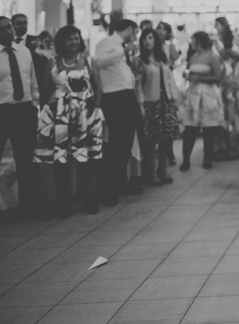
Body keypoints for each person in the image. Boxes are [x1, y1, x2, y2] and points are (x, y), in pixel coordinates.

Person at [34, 25, 104, 216]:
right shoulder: (53, 63)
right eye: (69, 39)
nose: (74, 42)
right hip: (59, 115)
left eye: (76, 38)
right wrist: (47, 112)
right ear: (61, 42)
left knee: (86, 158)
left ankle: (89, 197)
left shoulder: (89, 61)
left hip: (86, 113)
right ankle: (62, 201)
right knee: (60, 159)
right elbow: (44, 89)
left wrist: (95, 108)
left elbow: (98, 87)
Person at [94, 18, 144, 203]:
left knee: (127, 141)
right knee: (116, 142)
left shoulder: (121, 46)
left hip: (127, 94)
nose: (135, 36)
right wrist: (123, 51)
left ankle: (121, 181)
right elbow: (98, 62)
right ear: (130, 29)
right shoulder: (107, 43)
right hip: (113, 96)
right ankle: (110, 188)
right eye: (135, 32)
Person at [0, 16, 40, 214]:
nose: (9, 32)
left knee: (25, 159)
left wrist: (35, 104)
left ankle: (28, 204)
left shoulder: (24, 52)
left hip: (24, 109)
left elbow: (31, 80)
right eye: (3, 29)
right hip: (2, 110)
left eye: (9, 27)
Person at [135, 28, 180, 185]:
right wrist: (140, 103)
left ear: (155, 40)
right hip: (150, 102)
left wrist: (175, 98)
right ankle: (151, 172)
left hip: (165, 101)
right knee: (150, 138)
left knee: (166, 137)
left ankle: (163, 168)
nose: (147, 41)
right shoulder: (140, 60)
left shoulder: (163, 58)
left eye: (150, 38)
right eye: (144, 39)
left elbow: (169, 80)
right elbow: (139, 84)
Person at [181, 31, 225, 170]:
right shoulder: (193, 57)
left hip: (207, 94)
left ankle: (207, 158)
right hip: (194, 94)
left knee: (208, 128)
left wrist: (200, 78)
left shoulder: (212, 56)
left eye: (192, 40)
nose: (191, 42)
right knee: (190, 128)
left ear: (198, 41)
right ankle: (186, 159)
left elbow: (218, 77)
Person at [214, 17, 239, 159]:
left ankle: (233, 146)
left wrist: (237, 55)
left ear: (223, 25)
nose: (215, 27)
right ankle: (221, 146)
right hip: (220, 79)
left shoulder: (237, 40)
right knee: (220, 111)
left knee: (232, 111)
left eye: (217, 24)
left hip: (233, 79)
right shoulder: (215, 41)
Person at [11, 13, 52, 107]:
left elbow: (47, 60)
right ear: (12, 25)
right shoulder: (8, 42)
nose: (23, 25)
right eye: (19, 23)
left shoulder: (37, 41)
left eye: (25, 23)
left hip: (36, 84)